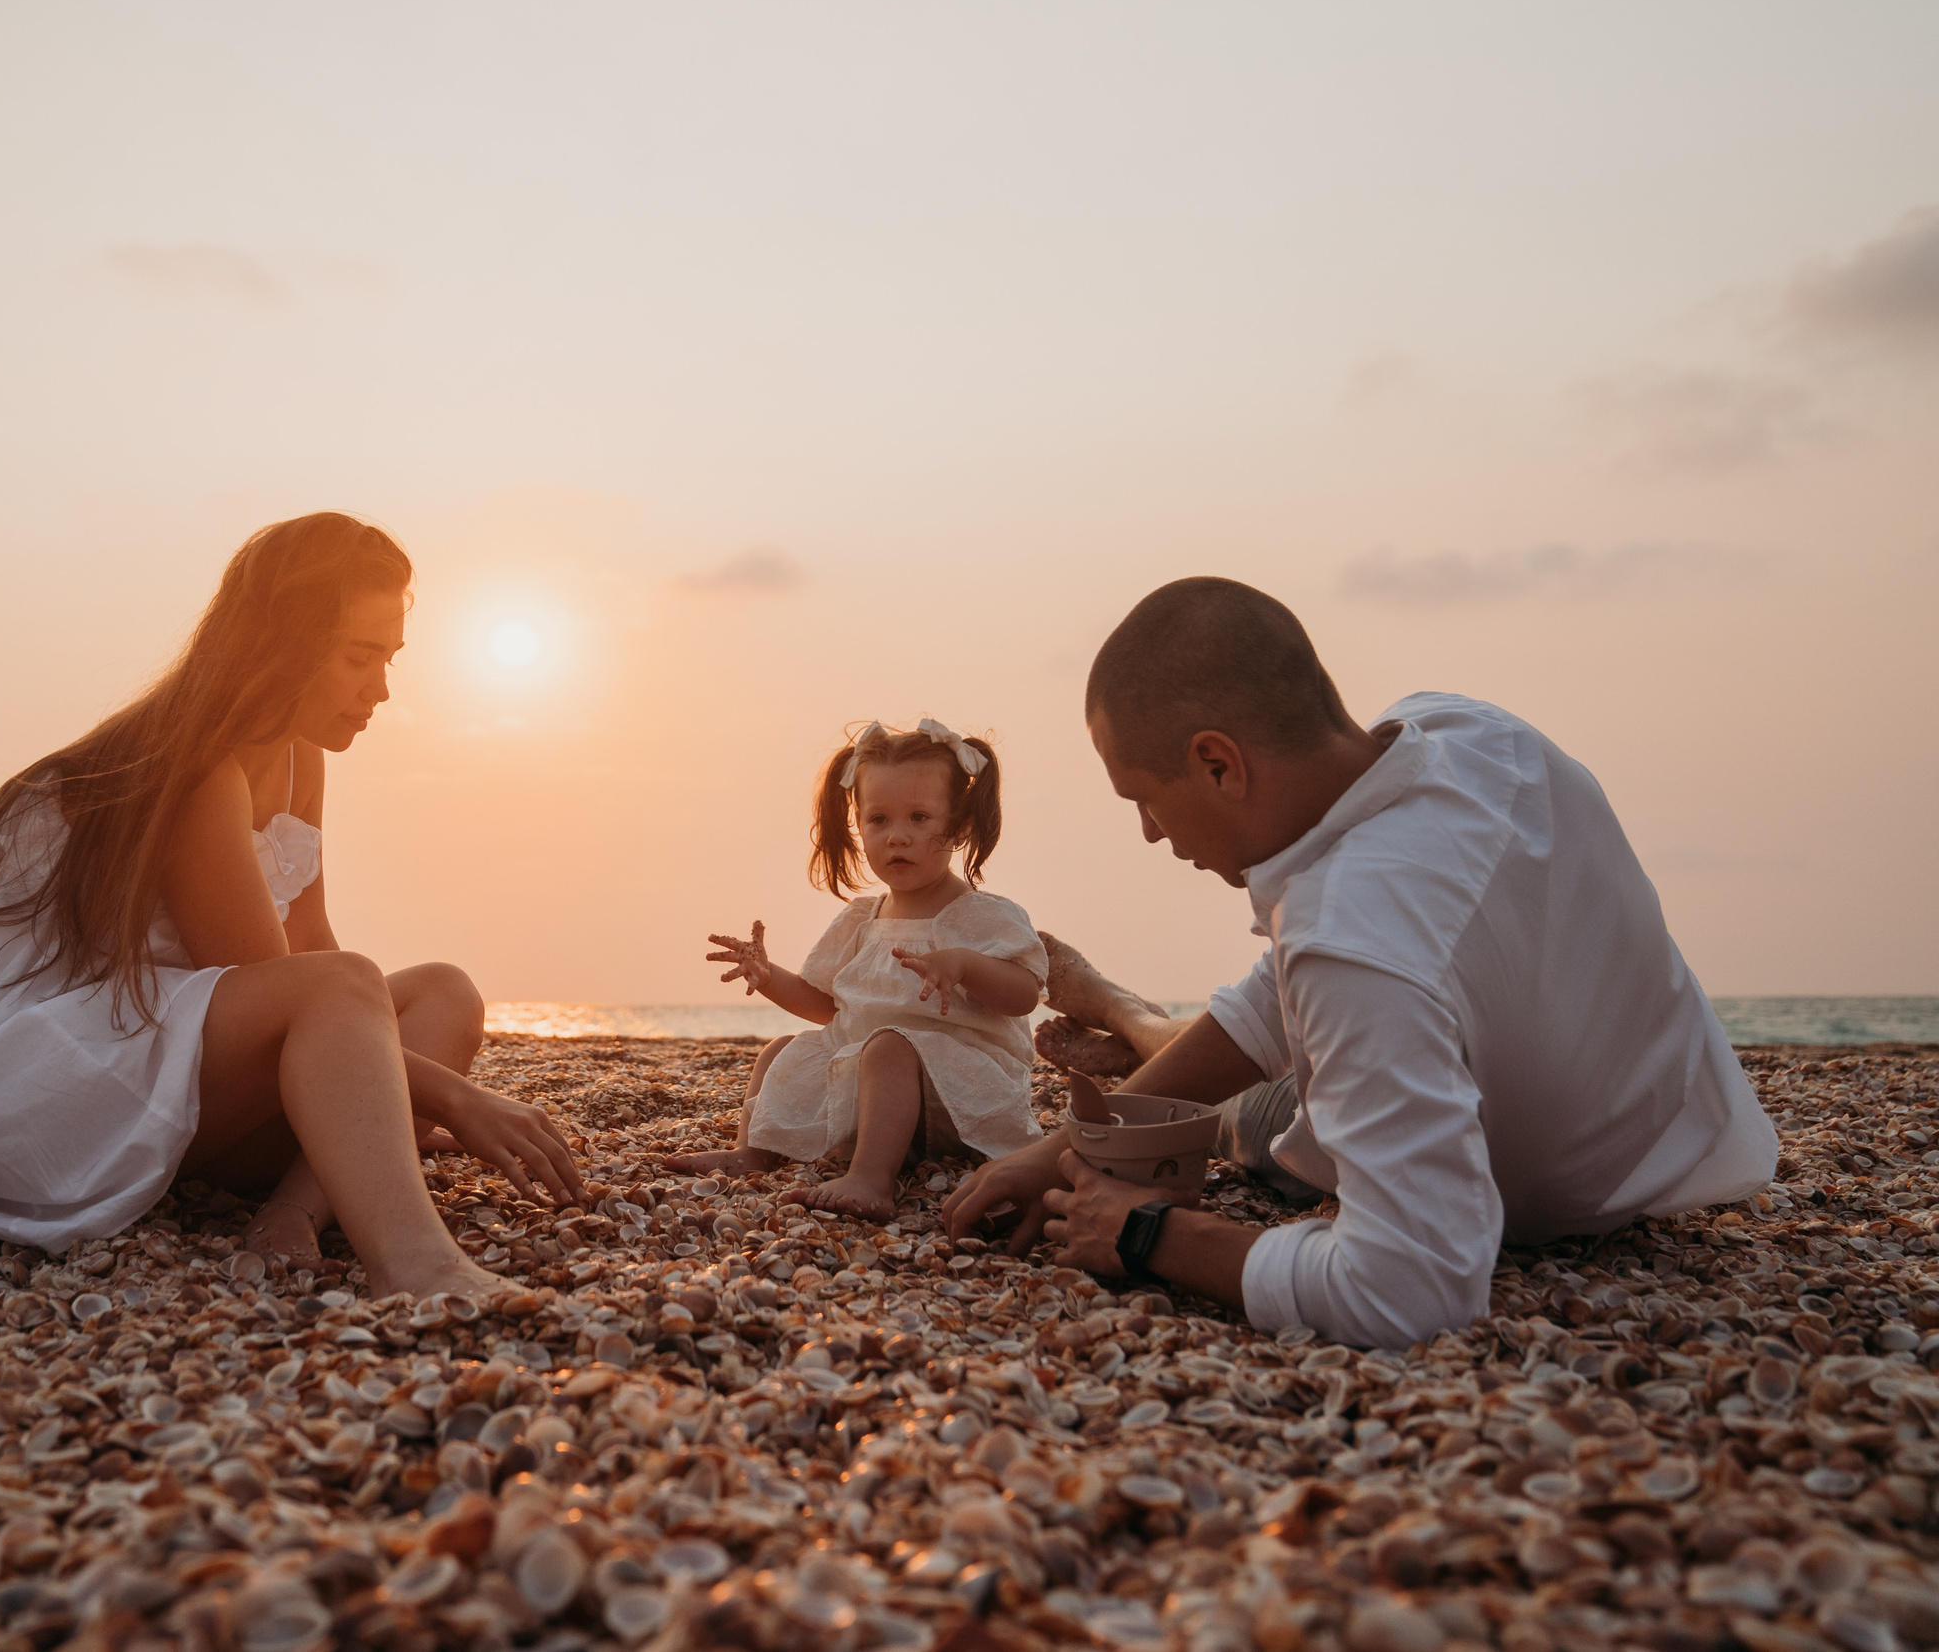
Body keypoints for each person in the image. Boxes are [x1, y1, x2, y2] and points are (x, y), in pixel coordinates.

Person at [942, 578, 1778, 1349]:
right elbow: (1294, 990)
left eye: (1144, 798)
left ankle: (1131, 1016)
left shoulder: (1348, 943)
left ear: (1218, 763)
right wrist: (1066, 1144)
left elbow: (1414, 1290)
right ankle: (1136, 1022)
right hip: (1669, 1134)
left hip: (1562, 1202)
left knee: (1255, 1120)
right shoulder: (1478, 733)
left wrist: (1145, 1231)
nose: (1153, 834)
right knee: (1278, 1050)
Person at [0, 513, 581, 1299]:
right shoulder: (198, 770)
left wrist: (381, 1075)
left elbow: (315, 947)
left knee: (441, 989)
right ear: (283, 645)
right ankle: (416, 1261)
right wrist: (456, 1095)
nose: (381, 689)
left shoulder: (303, 755)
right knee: (344, 989)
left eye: (391, 658)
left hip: (178, 1067)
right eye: (359, 657)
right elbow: (279, 980)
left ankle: (292, 1212)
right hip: (63, 1080)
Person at [665, 719, 1049, 1221]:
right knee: (783, 1050)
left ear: (958, 825)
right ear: (859, 825)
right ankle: (754, 1151)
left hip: (959, 1094)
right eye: (879, 820)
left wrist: (965, 965)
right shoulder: (861, 920)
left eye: (918, 818)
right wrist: (768, 975)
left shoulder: (981, 916)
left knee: (890, 1045)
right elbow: (826, 1008)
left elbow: (1024, 995)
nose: (897, 837)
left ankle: (871, 1178)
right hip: (872, 1092)